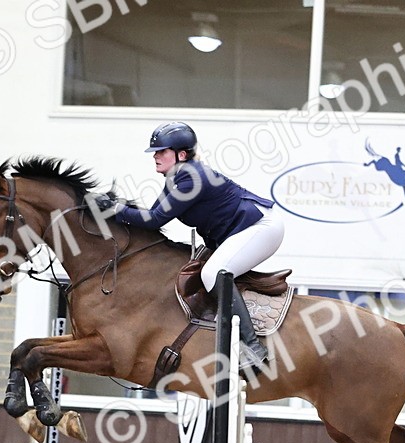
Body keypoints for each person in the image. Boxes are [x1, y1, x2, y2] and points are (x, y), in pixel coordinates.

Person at [97, 122, 284, 371]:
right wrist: (118, 207)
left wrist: (113, 209)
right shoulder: (176, 177)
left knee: (212, 273)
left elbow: (154, 221)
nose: (155, 156)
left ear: (181, 154)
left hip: (261, 228)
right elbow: (153, 214)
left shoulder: (190, 178)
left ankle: (253, 350)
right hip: (244, 230)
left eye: (161, 151)